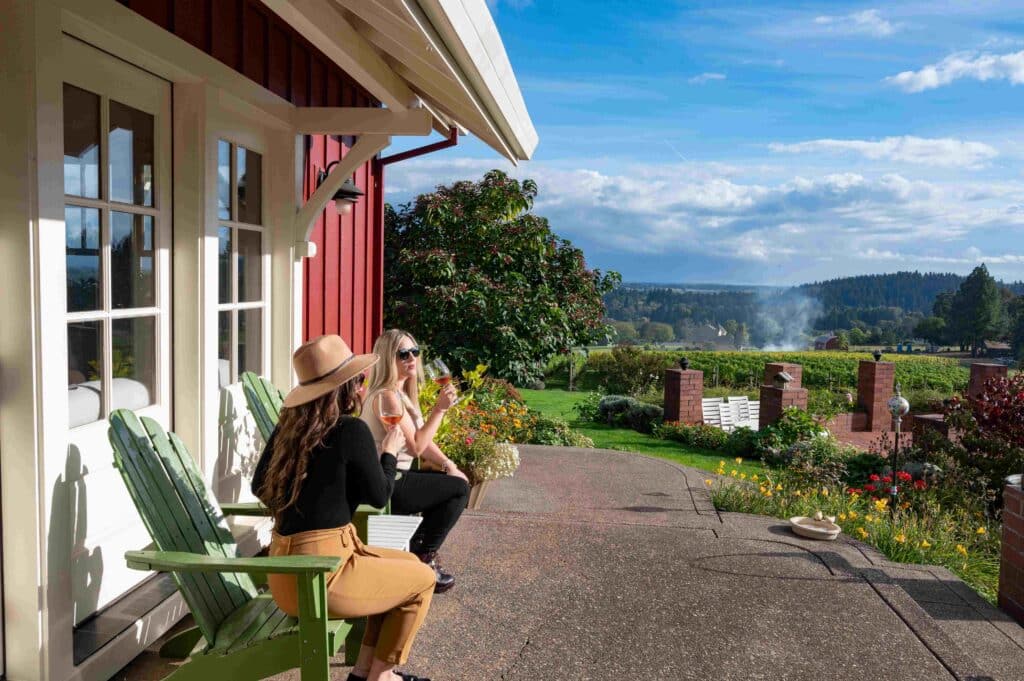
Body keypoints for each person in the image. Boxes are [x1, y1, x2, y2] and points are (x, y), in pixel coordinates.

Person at [252, 334, 434, 681]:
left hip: (285, 576)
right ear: (345, 387)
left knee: (409, 564)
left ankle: (363, 673)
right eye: (358, 379)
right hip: (323, 579)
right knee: (424, 579)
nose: (361, 385)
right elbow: (380, 496)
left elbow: (259, 486)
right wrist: (389, 453)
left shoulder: (289, 430)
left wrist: (316, 499)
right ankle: (383, 677)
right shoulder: (350, 431)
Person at [362, 329, 470, 593]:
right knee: (458, 490)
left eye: (415, 352)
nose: (412, 358)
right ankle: (423, 557)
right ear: (388, 358)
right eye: (403, 354)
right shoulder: (387, 396)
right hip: (387, 483)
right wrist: (440, 409)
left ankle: (416, 549)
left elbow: (421, 440)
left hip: (396, 476)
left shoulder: (399, 393)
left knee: (455, 482)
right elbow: (417, 446)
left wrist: (449, 465)